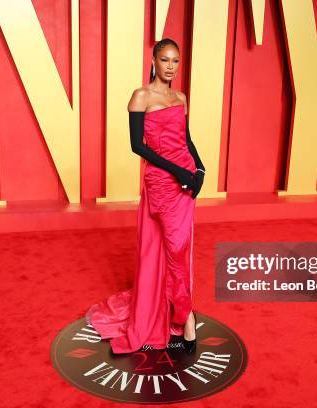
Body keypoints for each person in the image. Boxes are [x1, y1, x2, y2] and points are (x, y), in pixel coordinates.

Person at [85, 38, 206, 355]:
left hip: (186, 180)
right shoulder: (141, 96)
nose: (170, 66)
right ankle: (185, 318)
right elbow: (138, 146)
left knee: (181, 250)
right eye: (165, 60)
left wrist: (200, 169)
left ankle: (178, 313)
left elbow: (186, 139)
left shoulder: (180, 96)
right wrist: (177, 172)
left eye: (175, 61)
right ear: (154, 61)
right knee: (175, 250)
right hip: (162, 181)